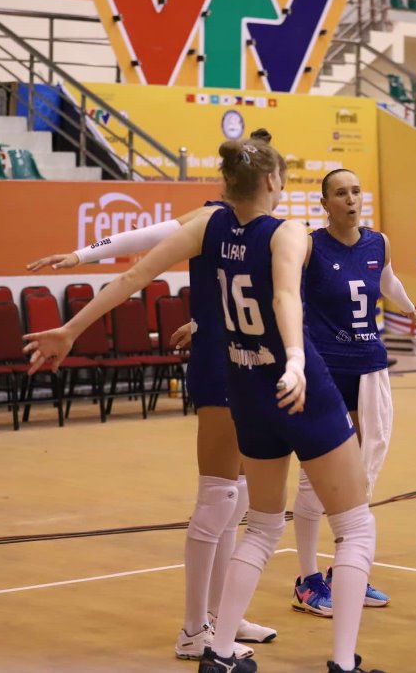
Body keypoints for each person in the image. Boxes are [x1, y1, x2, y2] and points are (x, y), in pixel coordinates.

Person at [23, 135, 384, 673]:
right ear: (271, 182)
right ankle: (341, 662)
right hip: (291, 381)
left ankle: (216, 647)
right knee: (354, 527)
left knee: (258, 524)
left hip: (243, 386)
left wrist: (72, 329)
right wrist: (294, 360)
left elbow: (133, 275)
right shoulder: (286, 232)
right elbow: (286, 297)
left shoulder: (209, 224)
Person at [25, 130, 282, 663]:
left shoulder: (263, 229)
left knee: (232, 497)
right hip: (221, 366)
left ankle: (220, 617)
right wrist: (78, 273)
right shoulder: (210, 218)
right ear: (268, 179)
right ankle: (194, 629)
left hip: (247, 362)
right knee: (217, 499)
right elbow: (139, 252)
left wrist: (196, 317)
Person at [291, 168, 416, 616]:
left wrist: (413, 312)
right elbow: (281, 296)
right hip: (325, 371)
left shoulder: (378, 243)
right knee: (318, 477)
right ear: (325, 204)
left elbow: (388, 284)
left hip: (369, 370)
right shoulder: (309, 246)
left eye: (355, 191)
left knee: (362, 477)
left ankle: (347, 571)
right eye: (340, 193)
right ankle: (308, 578)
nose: (351, 199)